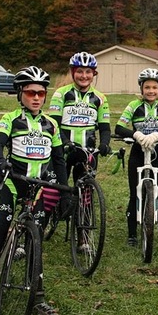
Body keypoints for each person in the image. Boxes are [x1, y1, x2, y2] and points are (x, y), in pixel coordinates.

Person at [0, 66, 68, 315]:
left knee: (35, 245)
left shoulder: (51, 124)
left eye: (41, 93)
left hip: (38, 191)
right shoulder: (10, 119)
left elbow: (60, 160)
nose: (36, 97)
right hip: (12, 186)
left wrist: (65, 194)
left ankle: (38, 298)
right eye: (30, 92)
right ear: (20, 93)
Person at [48, 51, 111, 252]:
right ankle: (36, 227)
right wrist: (64, 142)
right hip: (64, 151)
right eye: (80, 72)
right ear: (72, 72)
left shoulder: (100, 98)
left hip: (87, 151)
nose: (84, 76)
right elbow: (53, 124)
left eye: (88, 72)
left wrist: (105, 143)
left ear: (94, 73)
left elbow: (104, 127)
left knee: (86, 194)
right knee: (54, 188)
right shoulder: (61, 93)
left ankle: (83, 237)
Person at [114, 68, 158, 249]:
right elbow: (119, 127)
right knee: (135, 194)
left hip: (156, 153)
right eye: (147, 87)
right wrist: (136, 135)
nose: (151, 91)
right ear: (141, 88)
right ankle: (132, 234)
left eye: (155, 87)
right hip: (137, 152)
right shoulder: (133, 105)